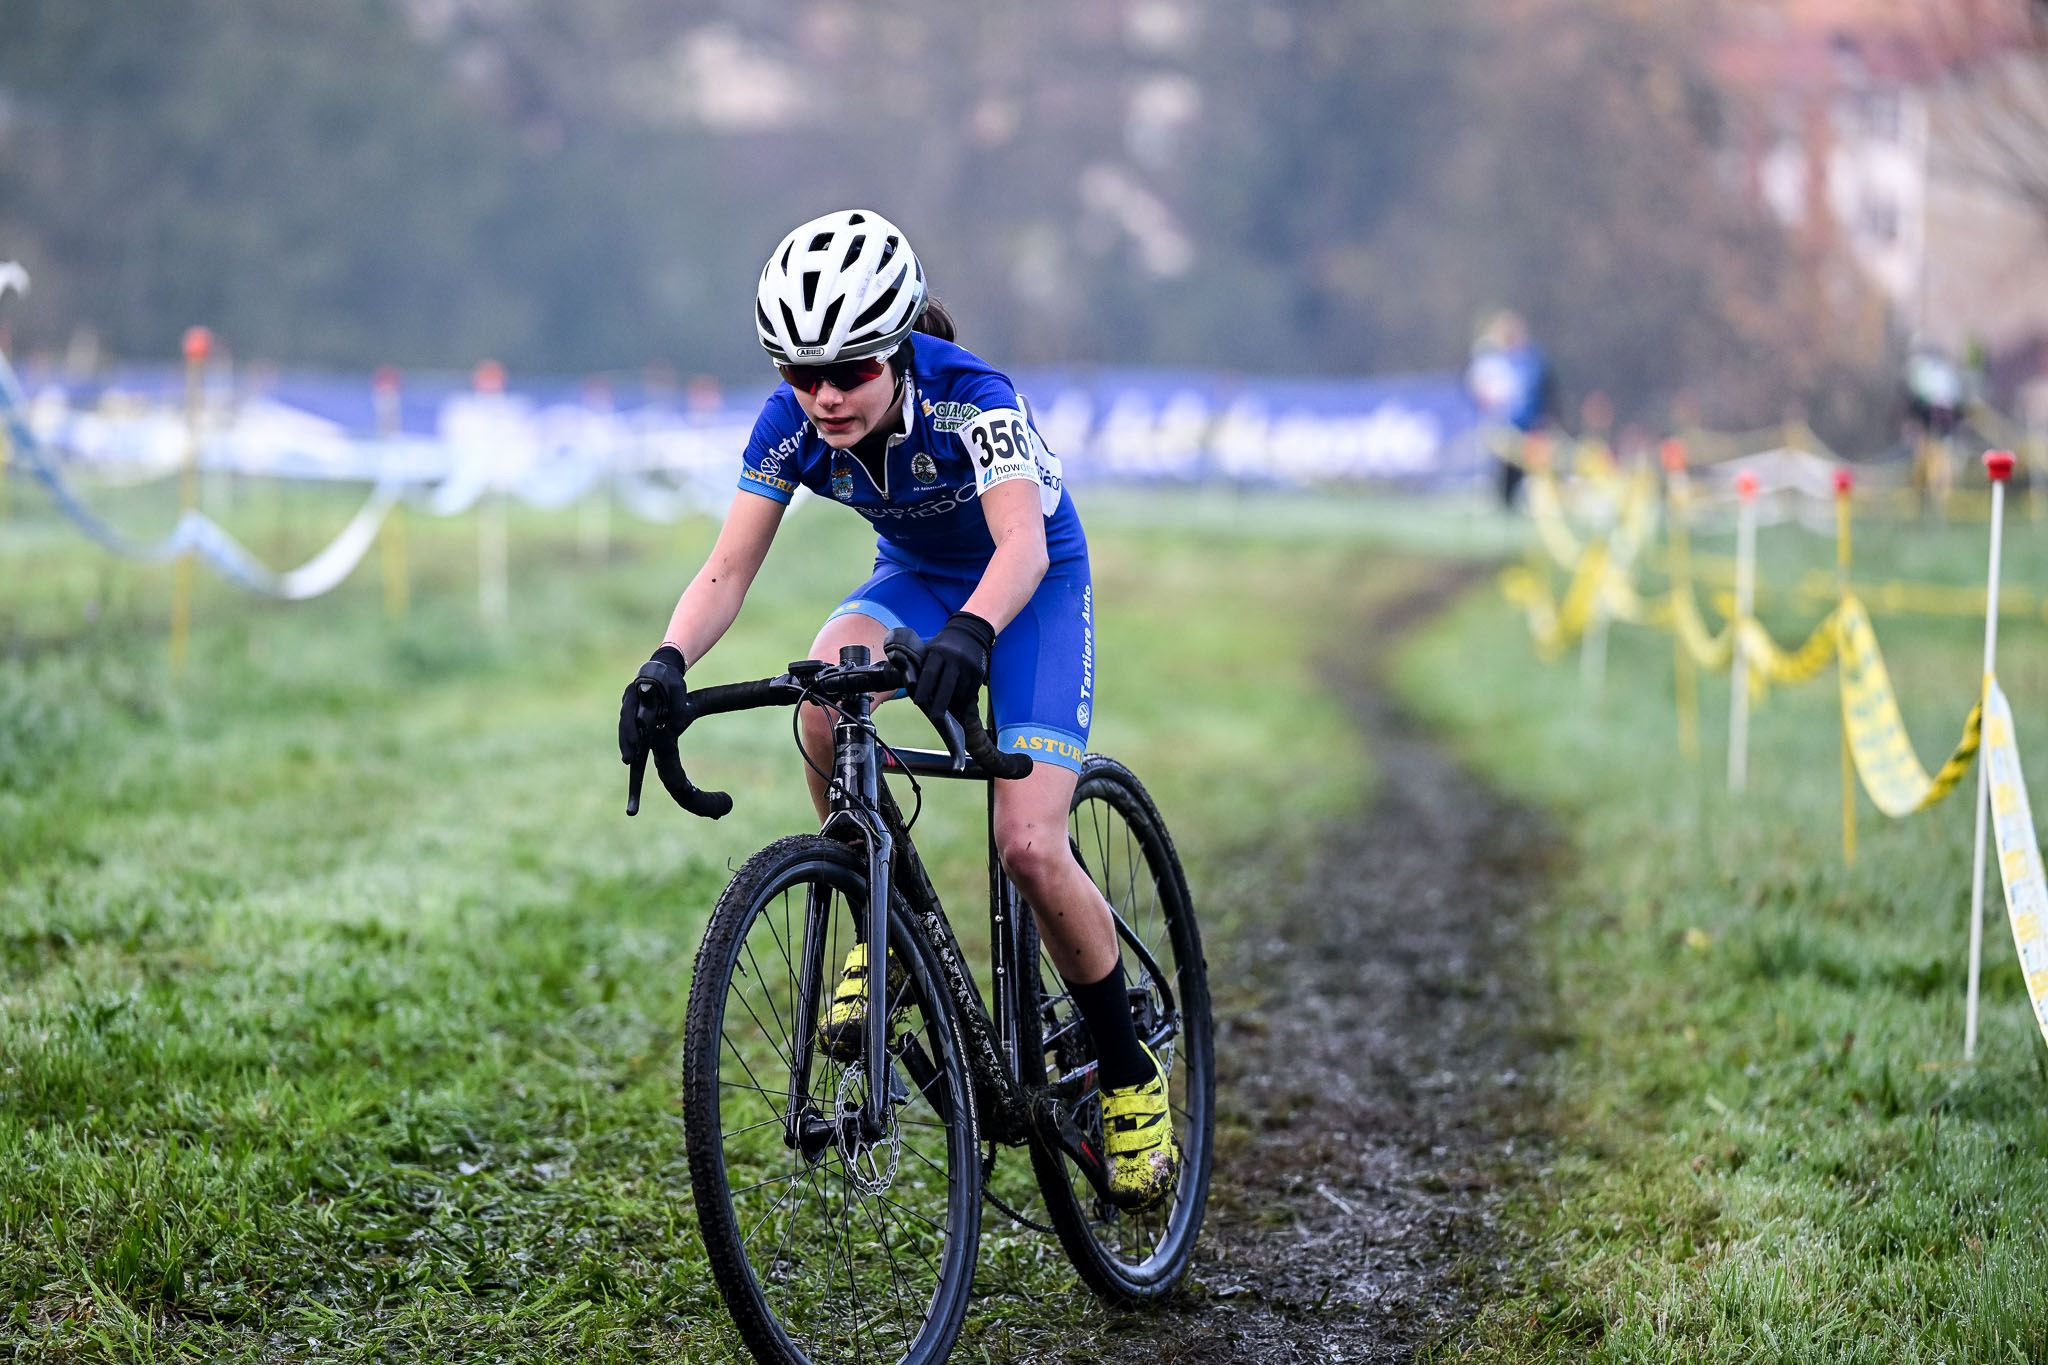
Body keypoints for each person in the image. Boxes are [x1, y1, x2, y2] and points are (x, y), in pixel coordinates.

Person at [617, 209, 1179, 1208]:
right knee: (825, 684)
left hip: (1029, 584)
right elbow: (725, 570)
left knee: (1028, 845)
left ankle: (1128, 1072)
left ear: (898, 347)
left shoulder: (974, 399)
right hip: (916, 575)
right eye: (800, 374)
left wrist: (971, 637)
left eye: (848, 372)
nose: (823, 396)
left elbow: (1021, 547)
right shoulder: (787, 424)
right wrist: (663, 662)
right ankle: (884, 929)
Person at [1465, 309, 1555, 510]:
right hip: (1505, 427)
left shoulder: (1533, 360)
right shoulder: (1494, 359)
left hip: (1529, 427)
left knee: (1531, 470)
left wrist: (1544, 419)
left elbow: (1544, 392)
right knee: (1505, 470)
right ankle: (1505, 504)